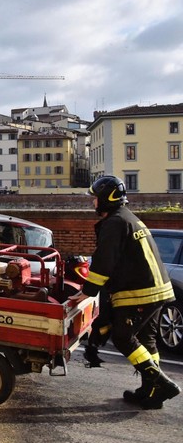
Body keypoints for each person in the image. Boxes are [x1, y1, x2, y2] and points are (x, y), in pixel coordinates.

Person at [68, 175, 180, 409]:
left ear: (106, 199)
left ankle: (162, 384)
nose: (93, 202)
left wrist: (87, 291)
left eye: (95, 198)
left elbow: (104, 261)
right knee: (147, 340)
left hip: (140, 292)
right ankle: (150, 392)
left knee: (122, 337)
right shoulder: (129, 218)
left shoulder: (115, 223)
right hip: (159, 290)